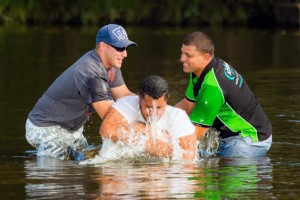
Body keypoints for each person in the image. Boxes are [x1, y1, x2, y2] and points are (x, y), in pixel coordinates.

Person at [25, 24, 137, 160]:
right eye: (120, 48)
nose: (125, 54)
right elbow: (111, 119)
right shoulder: (90, 72)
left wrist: (156, 109)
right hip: (44, 127)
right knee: (62, 168)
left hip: (71, 131)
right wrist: (148, 134)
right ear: (102, 46)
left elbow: (125, 96)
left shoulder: (111, 66)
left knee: (85, 161)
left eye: (126, 48)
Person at [175, 31, 272, 158]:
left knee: (224, 172)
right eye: (182, 53)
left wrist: (155, 139)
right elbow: (187, 105)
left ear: (205, 57)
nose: (182, 59)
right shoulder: (203, 70)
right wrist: (159, 120)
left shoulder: (212, 86)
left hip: (249, 139)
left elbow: (193, 135)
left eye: (188, 55)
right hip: (233, 136)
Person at [100, 75, 197, 161]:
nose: (153, 113)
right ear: (139, 99)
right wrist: (150, 144)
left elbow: (188, 159)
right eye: (149, 107)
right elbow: (106, 129)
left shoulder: (177, 117)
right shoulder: (127, 103)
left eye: (158, 107)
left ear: (166, 101)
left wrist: (139, 129)